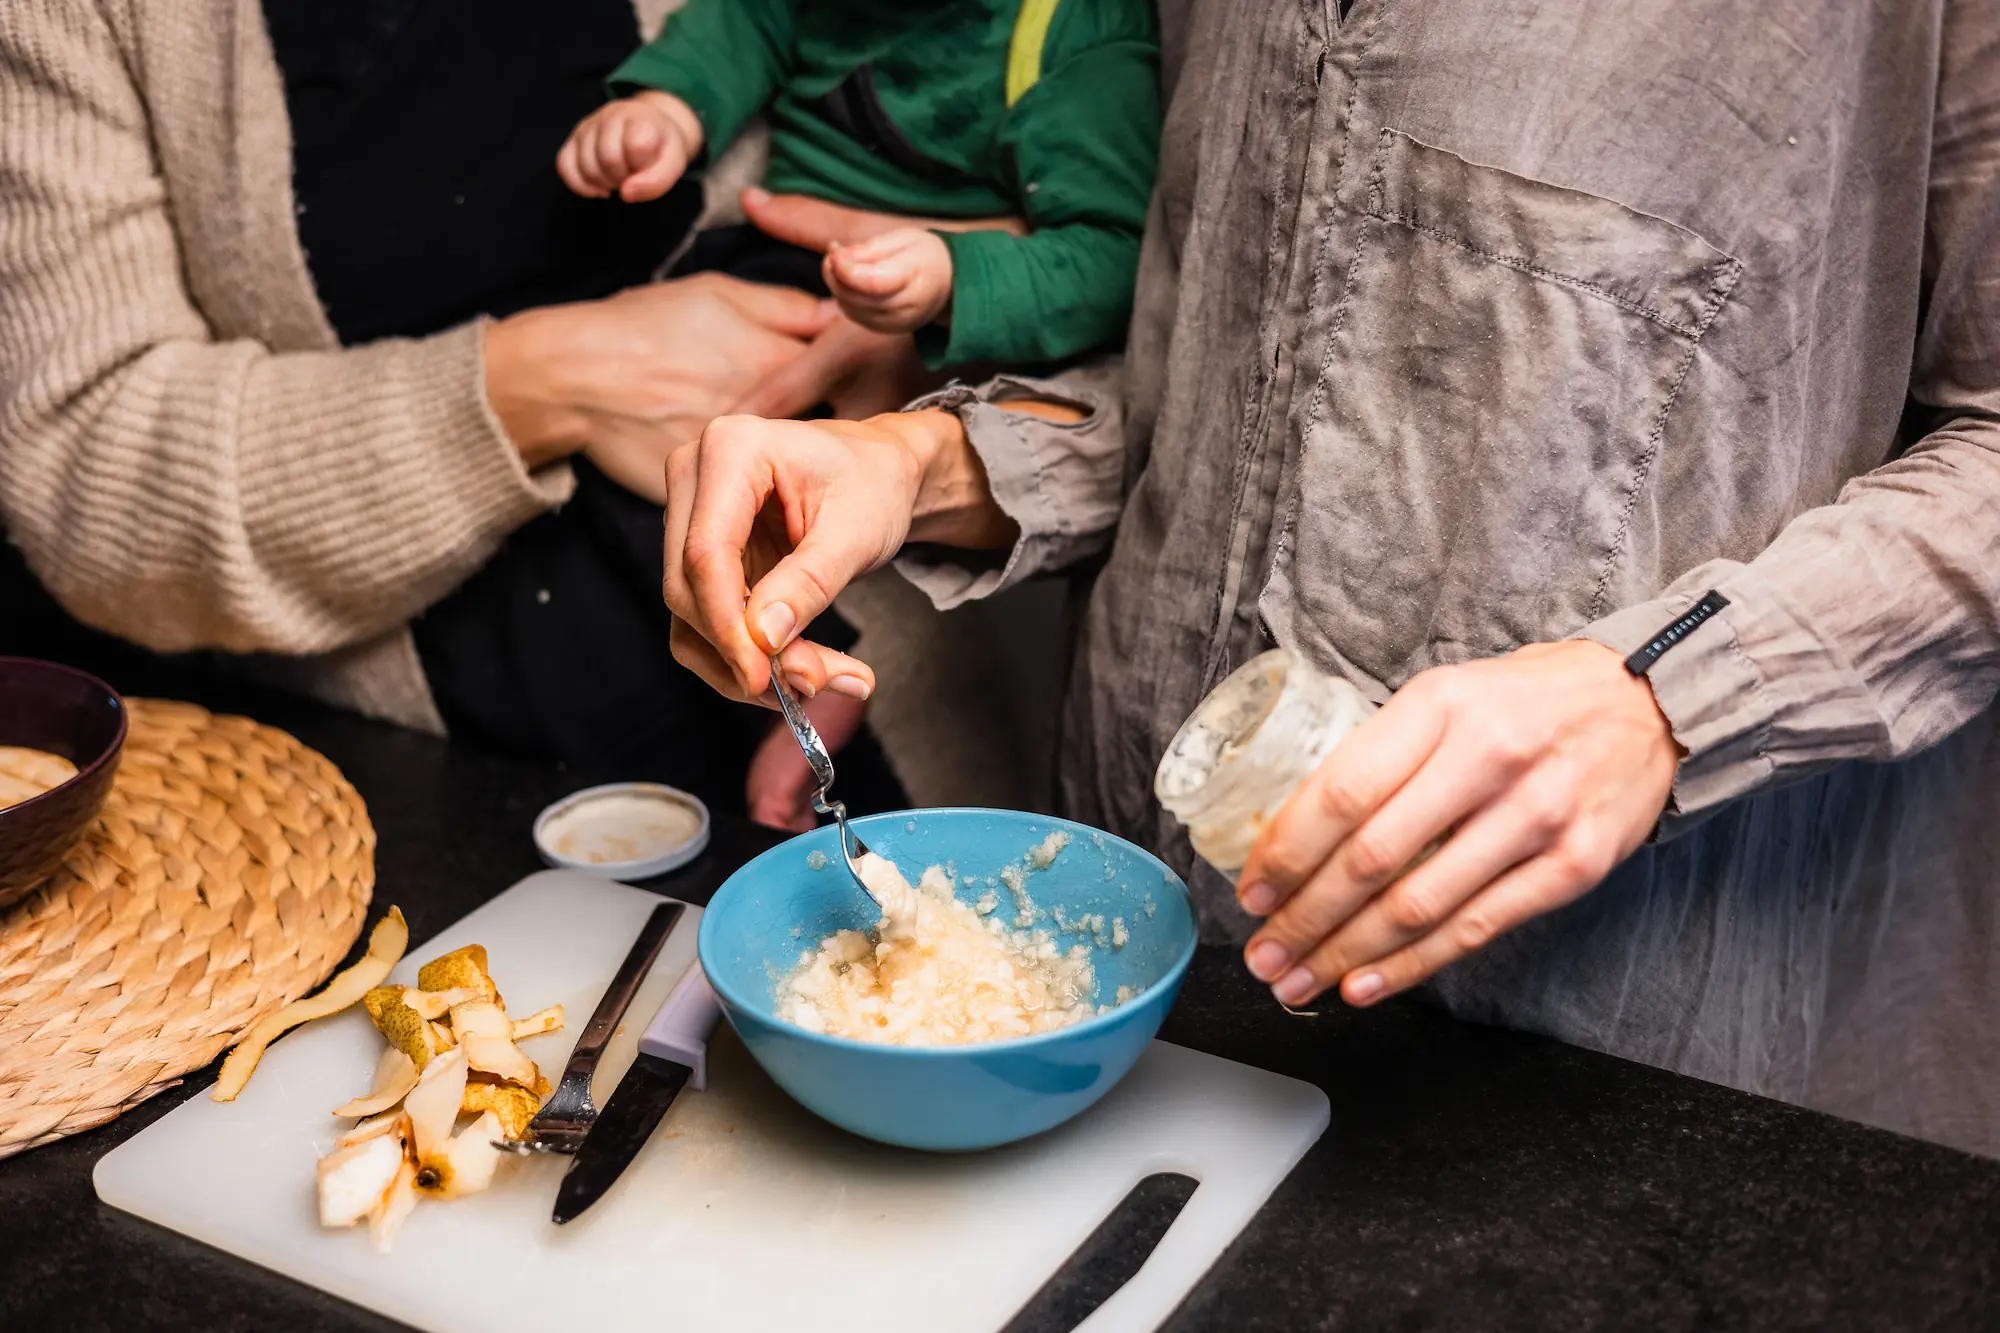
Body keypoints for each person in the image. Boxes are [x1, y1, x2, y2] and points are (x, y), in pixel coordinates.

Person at [660, 1, 2000, 1158]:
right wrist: (927, 461)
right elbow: (1223, 368)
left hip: (1593, 1049)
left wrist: (1660, 701)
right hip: (1127, 964)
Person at [0, 0, 903, 821]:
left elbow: (986, 143)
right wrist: (568, 377)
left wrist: (950, 286)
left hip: (864, 663)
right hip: (444, 775)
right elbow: (88, 481)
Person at [560, 0, 1162, 370]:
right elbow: (743, 19)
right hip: (760, 261)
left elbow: (1116, 261)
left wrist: (952, 280)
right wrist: (666, 112)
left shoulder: (1080, 30)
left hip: (941, 319)